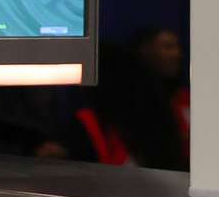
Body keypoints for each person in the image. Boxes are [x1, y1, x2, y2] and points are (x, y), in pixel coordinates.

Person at [71, 28, 189, 170]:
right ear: (144, 49)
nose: (177, 55)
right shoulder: (93, 122)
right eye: (168, 47)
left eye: (177, 47)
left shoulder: (171, 107)